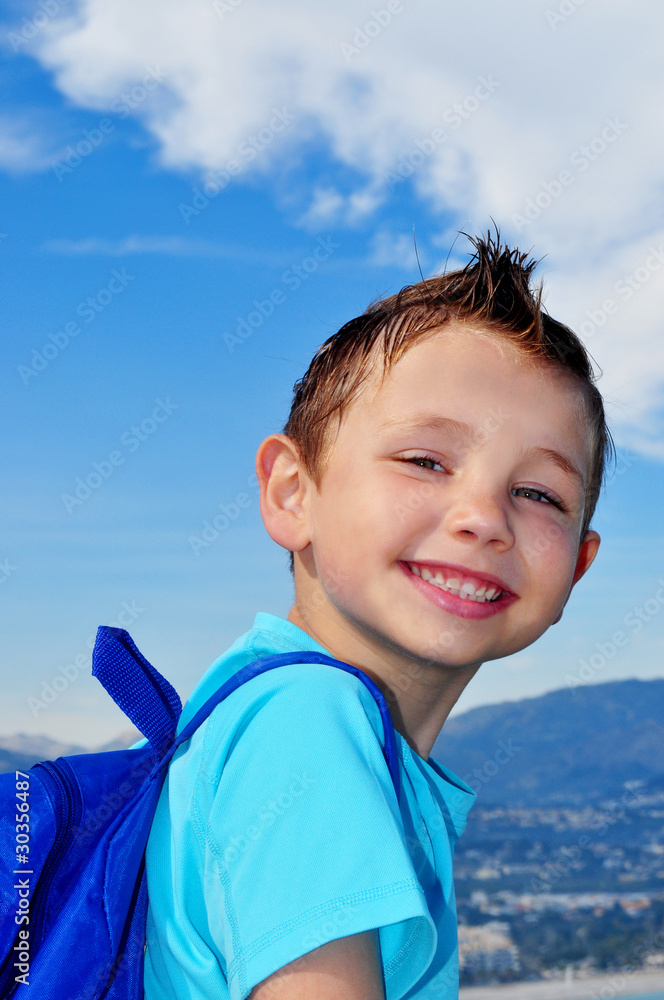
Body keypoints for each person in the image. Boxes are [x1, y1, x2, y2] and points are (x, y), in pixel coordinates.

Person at [143, 231, 611, 1000]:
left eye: (538, 494)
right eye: (426, 461)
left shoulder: (264, 707)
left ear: (577, 567)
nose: (483, 518)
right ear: (293, 493)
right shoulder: (306, 725)